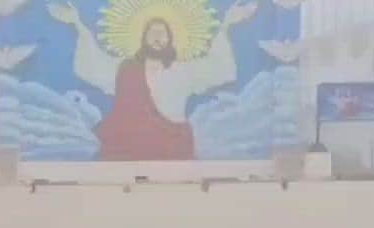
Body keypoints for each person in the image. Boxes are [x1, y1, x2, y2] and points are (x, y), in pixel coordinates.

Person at [48, 1, 258, 160]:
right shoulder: (125, 69)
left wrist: (227, 25)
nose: (158, 38)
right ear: (142, 37)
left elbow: (218, 68)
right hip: (128, 147)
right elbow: (92, 65)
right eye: (152, 33)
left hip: (173, 145)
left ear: (171, 39)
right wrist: (77, 23)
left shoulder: (183, 70)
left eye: (163, 34)